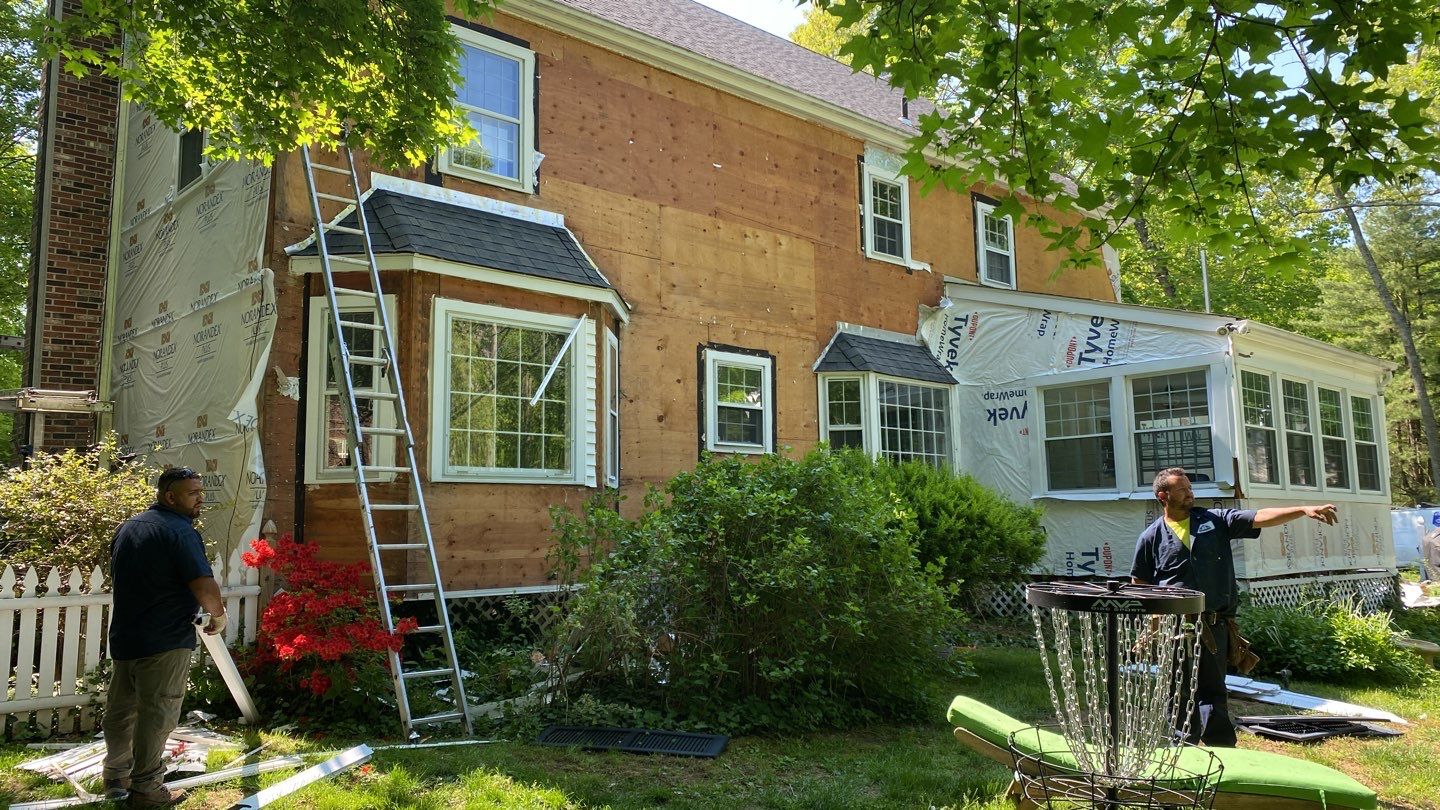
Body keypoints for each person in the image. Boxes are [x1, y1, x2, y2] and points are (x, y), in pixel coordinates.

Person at [1131, 467, 1336, 747]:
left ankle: (1222, 750)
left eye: (1190, 488)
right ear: (1163, 496)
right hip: (1173, 627)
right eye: (1182, 489)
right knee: (1176, 691)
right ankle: (1180, 750)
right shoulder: (1151, 537)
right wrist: (1153, 621)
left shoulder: (1215, 521)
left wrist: (1302, 509)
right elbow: (1140, 582)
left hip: (1213, 625)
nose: (1190, 493)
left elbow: (1258, 518)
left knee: (1213, 692)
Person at [102, 467, 225, 807]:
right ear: (170, 496)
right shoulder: (180, 531)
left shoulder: (129, 527)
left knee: (121, 711)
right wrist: (219, 614)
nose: (201, 498)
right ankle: (146, 790)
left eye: (201, 491)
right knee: (157, 715)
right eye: (192, 493)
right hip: (165, 639)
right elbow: (203, 585)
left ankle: (115, 777)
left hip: (127, 636)